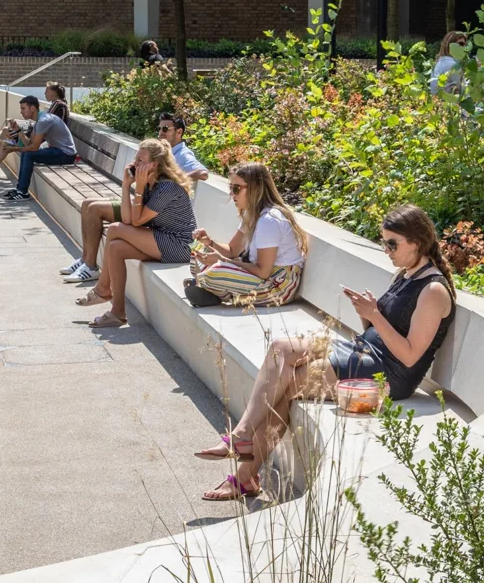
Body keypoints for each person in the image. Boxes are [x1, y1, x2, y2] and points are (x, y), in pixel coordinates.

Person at [193, 203, 455, 501]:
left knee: (289, 384)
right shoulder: (408, 273)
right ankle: (242, 438)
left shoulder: (433, 290)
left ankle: (244, 474)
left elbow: (410, 356)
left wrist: (376, 316)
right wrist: (367, 315)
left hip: (388, 377)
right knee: (282, 347)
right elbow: (385, 329)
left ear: (417, 242)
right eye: (384, 242)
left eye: (392, 243)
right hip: (363, 351)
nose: (386, 250)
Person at [72, 138, 196, 328]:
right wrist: (125, 185)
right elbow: (128, 219)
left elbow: (137, 221)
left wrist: (137, 187)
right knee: (115, 248)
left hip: (179, 245)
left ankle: (103, 289)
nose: (134, 164)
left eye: (140, 161)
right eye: (135, 159)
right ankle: (118, 313)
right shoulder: (148, 184)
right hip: (161, 238)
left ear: (154, 165)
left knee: (114, 229)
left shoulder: (167, 187)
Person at [188, 161, 308, 307]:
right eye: (231, 187)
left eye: (237, 188)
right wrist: (209, 243)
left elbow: (263, 271)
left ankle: (212, 289)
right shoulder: (252, 215)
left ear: (255, 189)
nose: (232, 193)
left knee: (217, 271)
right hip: (259, 277)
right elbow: (232, 251)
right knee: (199, 252)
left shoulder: (269, 220)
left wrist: (222, 261)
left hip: (277, 286)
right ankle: (211, 288)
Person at [3, 95, 78, 200]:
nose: (21, 112)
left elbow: (33, 148)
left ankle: (23, 192)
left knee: (29, 154)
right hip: (57, 150)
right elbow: (29, 143)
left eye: (23, 108)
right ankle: (20, 189)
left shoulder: (44, 120)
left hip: (66, 154)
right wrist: (19, 131)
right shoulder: (40, 120)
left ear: (32, 108)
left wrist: (14, 149)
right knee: (26, 153)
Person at [156, 112, 208, 181]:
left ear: (179, 132)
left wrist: (173, 180)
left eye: (165, 129)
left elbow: (203, 173)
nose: (160, 133)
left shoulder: (183, 155)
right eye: (159, 128)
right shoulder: (160, 151)